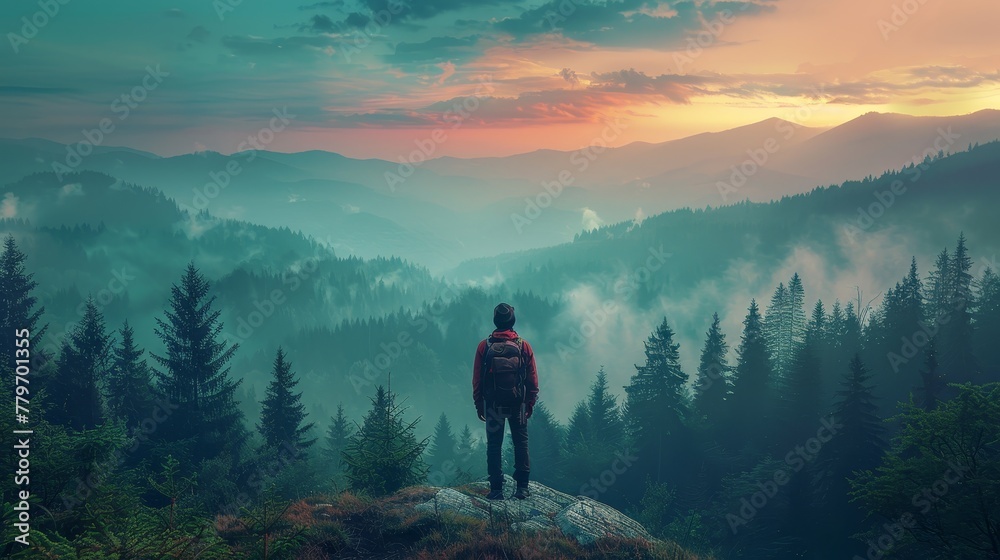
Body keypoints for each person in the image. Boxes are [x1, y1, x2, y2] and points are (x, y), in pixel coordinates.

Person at [472, 302, 539, 500]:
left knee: (494, 444)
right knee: (521, 443)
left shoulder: (484, 346)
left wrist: (479, 403)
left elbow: (477, 379)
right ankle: (522, 488)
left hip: (493, 404)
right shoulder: (523, 345)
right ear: (512, 320)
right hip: (517, 403)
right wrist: (530, 402)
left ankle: (496, 489)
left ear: (495, 321)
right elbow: (532, 379)